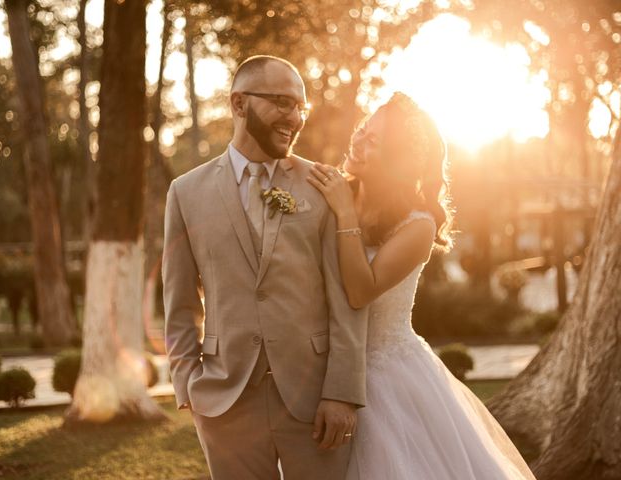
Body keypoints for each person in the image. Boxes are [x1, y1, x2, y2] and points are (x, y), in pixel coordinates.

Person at [308, 92, 537, 480]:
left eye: (373, 140)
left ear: (395, 159)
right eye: (362, 129)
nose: (358, 141)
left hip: (389, 379)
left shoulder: (417, 225)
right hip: (319, 363)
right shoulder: (328, 192)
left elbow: (361, 291)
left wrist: (344, 212)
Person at [162, 55, 368, 480]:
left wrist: (342, 393)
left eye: (300, 107)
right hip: (225, 401)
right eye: (281, 102)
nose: (294, 117)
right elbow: (179, 301)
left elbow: (347, 296)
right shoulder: (186, 193)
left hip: (314, 400)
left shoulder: (324, 185)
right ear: (239, 104)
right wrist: (187, 384)